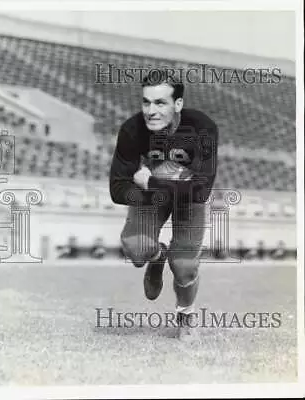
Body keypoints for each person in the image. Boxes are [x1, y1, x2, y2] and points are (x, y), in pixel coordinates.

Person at [109, 70, 218, 340]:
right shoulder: (132, 130)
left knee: (183, 266)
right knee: (136, 249)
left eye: (160, 103)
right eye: (146, 102)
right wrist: (153, 190)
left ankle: (186, 314)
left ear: (178, 104)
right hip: (154, 197)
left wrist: (153, 183)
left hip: (187, 199)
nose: (151, 111)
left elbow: (201, 190)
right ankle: (157, 257)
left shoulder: (202, 128)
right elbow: (117, 188)